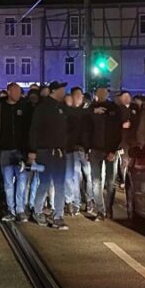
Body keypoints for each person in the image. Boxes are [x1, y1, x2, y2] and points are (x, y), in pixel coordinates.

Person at [0, 82, 32, 222]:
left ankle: (19, 209)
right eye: (16, 91)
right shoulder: (0, 107)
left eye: (20, 92)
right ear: (9, 92)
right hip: (5, 150)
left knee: (22, 182)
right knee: (7, 182)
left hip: (21, 151)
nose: (18, 94)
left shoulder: (25, 107)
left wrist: (30, 150)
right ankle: (11, 210)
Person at [27, 84, 71, 228]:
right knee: (44, 183)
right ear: (54, 91)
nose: (64, 92)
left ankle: (58, 215)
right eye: (62, 90)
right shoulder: (43, 107)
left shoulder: (62, 107)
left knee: (59, 184)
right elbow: (34, 129)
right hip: (45, 151)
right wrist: (32, 151)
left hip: (60, 152)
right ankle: (38, 210)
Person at [86, 86, 122, 219]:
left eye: (104, 92)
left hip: (110, 150)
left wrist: (113, 150)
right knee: (96, 181)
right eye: (100, 92)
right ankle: (101, 210)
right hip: (95, 149)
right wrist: (86, 148)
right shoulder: (91, 109)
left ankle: (109, 207)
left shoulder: (114, 109)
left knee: (110, 182)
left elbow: (117, 131)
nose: (102, 94)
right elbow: (86, 129)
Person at [64, 87, 90, 216]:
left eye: (81, 95)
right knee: (71, 177)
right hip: (70, 148)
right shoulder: (69, 112)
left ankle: (82, 201)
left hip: (83, 149)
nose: (80, 97)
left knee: (84, 177)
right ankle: (73, 202)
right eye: (77, 95)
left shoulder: (86, 112)